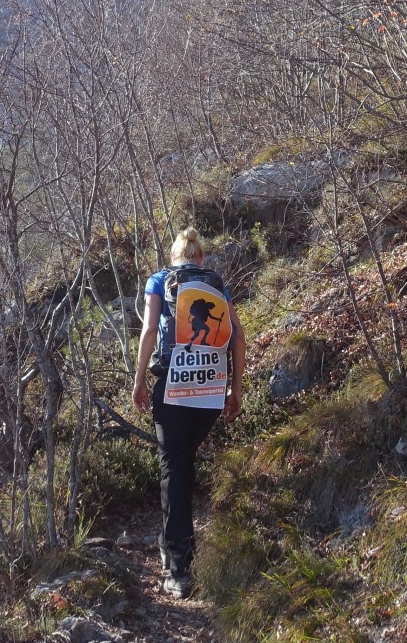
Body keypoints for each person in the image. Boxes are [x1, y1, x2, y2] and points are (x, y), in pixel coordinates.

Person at [132, 226, 244, 598]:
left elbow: (150, 330)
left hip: (173, 385)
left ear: (174, 257)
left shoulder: (159, 281)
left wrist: (139, 380)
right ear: (200, 257)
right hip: (211, 387)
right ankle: (174, 544)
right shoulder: (215, 284)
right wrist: (235, 389)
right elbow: (238, 336)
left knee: (175, 467)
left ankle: (179, 569)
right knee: (183, 462)